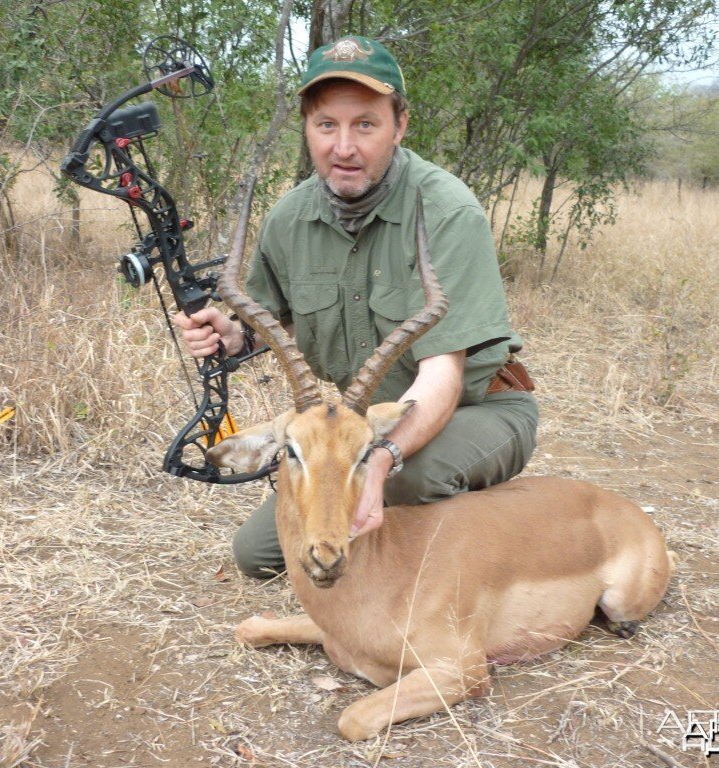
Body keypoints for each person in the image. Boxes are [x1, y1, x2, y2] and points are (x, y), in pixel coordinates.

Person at [173, 36, 539, 578]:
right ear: (308, 128)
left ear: (400, 125)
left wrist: (379, 460)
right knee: (259, 555)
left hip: (474, 410)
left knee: (405, 480)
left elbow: (444, 375)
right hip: (354, 430)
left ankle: (497, 543)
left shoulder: (448, 211)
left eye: (365, 124)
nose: (343, 146)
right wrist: (230, 336)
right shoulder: (290, 218)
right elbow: (272, 324)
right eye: (327, 126)